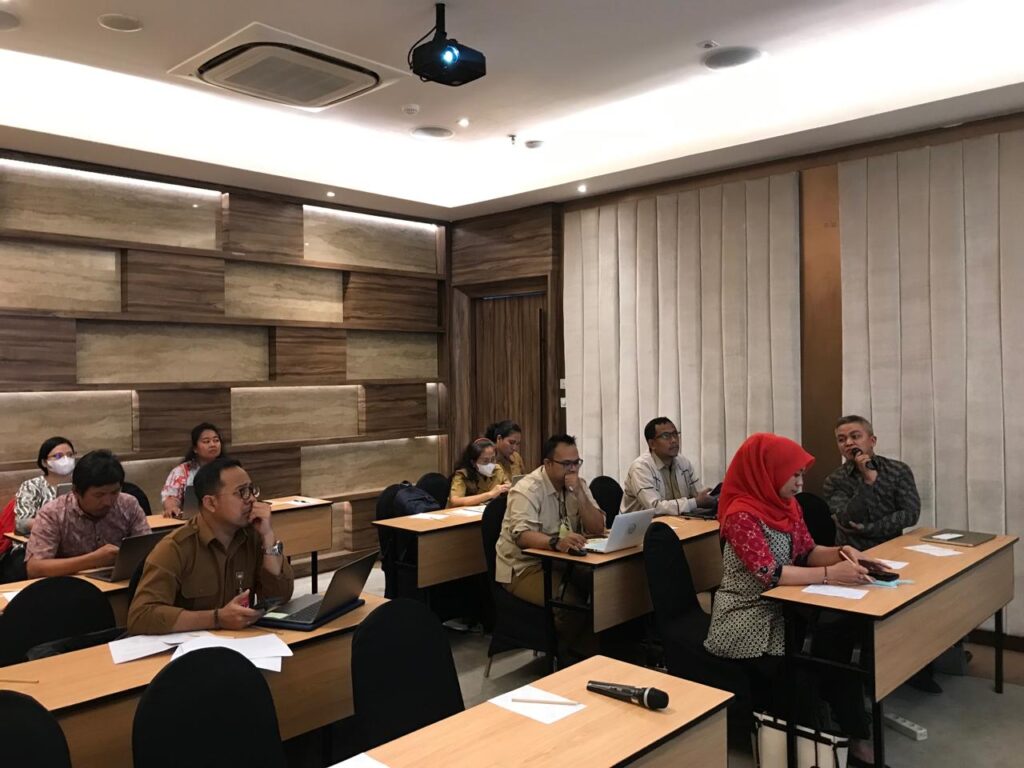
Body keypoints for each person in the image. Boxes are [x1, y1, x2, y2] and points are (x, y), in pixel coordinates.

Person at [704, 433, 881, 765]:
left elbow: (808, 552)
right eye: (794, 475)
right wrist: (831, 574)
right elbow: (769, 574)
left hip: (785, 609)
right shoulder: (741, 514)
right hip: (746, 617)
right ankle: (808, 749)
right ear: (768, 471)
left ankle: (843, 738)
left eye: (801, 475)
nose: (800, 483)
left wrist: (843, 552)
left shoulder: (788, 506)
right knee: (803, 680)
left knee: (834, 658)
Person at [128, 456, 294, 635]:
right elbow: (141, 616)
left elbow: (279, 598)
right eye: (242, 492)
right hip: (190, 647)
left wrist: (268, 537)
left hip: (241, 641)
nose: (252, 499)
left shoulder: (254, 536)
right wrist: (216, 618)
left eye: (252, 490)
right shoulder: (176, 547)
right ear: (210, 503)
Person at [494, 434, 605, 652]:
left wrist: (580, 493)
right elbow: (522, 536)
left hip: (562, 561)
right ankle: (571, 657)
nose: (573, 469)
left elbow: (597, 528)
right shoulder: (528, 489)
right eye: (566, 464)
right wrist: (556, 542)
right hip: (523, 568)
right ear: (548, 463)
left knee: (604, 586)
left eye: (576, 463)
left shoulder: (578, 485)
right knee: (570, 602)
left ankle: (608, 651)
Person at [25, 450, 150, 578]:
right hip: (70, 585)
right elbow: (34, 569)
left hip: (121, 582)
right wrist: (92, 560)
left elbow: (149, 549)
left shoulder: (128, 504)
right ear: (76, 492)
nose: (108, 502)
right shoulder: (53, 513)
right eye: (99, 495)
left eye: (114, 492)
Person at [823, 415, 921, 552]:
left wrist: (871, 529)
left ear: (872, 441)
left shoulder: (897, 470)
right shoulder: (834, 480)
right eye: (841, 439)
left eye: (855, 436)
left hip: (892, 548)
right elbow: (846, 519)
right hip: (852, 552)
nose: (848, 443)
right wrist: (868, 482)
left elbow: (911, 514)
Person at [621, 417, 715, 515]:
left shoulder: (683, 462)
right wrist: (695, 502)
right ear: (652, 444)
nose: (674, 440)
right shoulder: (641, 468)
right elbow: (655, 508)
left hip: (675, 521)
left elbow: (698, 493)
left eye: (675, 434)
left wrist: (712, 497)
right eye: (666, 436)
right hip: (641, 524)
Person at [13, 436, 76, 535]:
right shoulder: (31, 486)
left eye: (70, 455)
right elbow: (21, 523)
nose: (65, 459)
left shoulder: (81, 483)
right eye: (58, 456)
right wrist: (52, 525)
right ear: (44, 462)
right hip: (40, 538)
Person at [161, 422, 225, 517]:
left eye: (216, 440)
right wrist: (172, 507)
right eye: (206, 441)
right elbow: (170, 497)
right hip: (193, 520)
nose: (213, 444)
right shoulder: (182, 471)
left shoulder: (229, 469)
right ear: (195, 448)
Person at [447, 438, 511, 507]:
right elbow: (455, 501)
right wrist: (490, 494)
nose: (490, 464)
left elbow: (508, 485)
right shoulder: (462, 475)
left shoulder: (497, 469)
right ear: (473, 462)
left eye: (493, 459)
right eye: (485, 461)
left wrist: (509, 488)